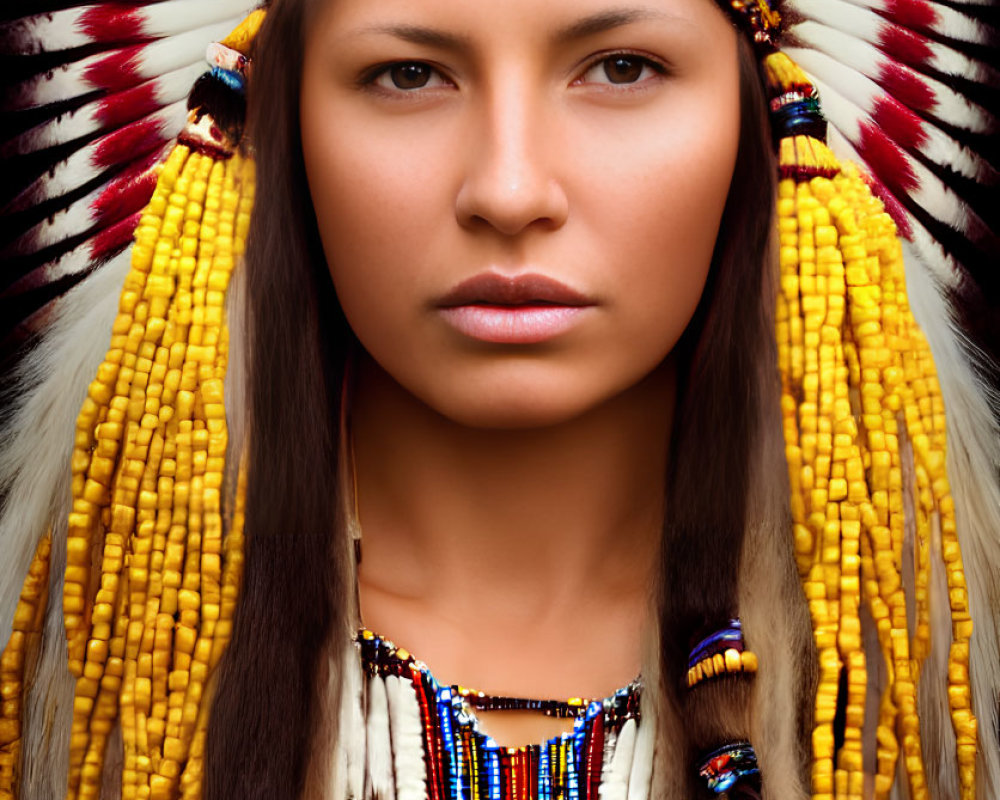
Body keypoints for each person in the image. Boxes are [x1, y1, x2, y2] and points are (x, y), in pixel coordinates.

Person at [0, 0, 997, 799]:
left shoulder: (944, 668)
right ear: (274, 119)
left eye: (620, 67)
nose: (509, 190)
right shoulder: (70, 651)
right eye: (407, 73)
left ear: (767, 111)